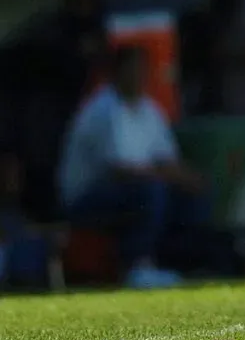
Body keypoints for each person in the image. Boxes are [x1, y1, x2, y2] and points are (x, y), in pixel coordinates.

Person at [58, 45, 209, 289]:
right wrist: (170, 176)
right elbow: (121, 171)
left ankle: (184, 265)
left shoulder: (149, 109)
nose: (140, 75)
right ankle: (137, 267)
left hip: (133, 187)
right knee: (151, 191)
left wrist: (192, 180)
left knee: (191, 193)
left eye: (143, 69)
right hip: (83, 199)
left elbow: (167, 160)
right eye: (133, 69)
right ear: (117, 72)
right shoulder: (103, 110)